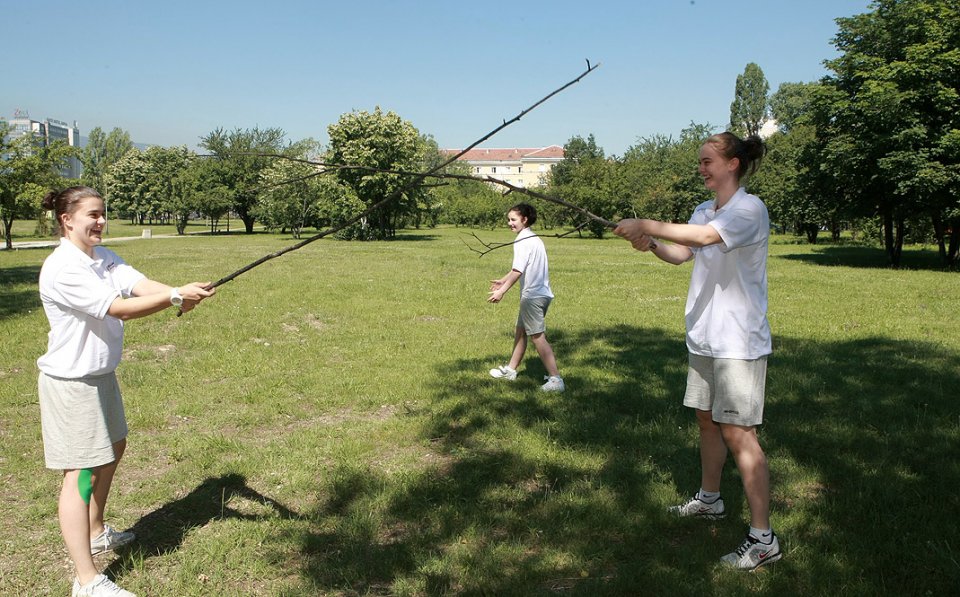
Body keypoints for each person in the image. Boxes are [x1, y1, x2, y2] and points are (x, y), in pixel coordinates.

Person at [613, 132, 781, 570]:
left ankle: (763, 538)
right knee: (707, 420)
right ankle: (710, 499)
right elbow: (683, 254)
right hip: (705, 336)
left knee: (740, 433)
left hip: (738, 342)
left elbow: (706, 238)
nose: (702, 167)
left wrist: (648, 223)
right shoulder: (704, 210)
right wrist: (651, 245)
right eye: (700, 161)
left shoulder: (749, 209)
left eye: (708, 161)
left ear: (733, 165)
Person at [36, 186, 215, 596]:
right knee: (79, 474)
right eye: (92, 215)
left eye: (103, 214)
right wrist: (174, 297)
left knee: (114, 448)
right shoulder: (63, 267)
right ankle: (86, 580)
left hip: (101, 377)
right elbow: (116, 307)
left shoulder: (102, 258)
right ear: (67, 219)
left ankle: (96, 530)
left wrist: (178, 295)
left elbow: (138, 285)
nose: (101, 221)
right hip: (72, 383)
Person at [487, 203, 565, 392]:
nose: (509, 223)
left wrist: (502, 291)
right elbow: (519, 268)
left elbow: (518, 271)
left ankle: (556, 380)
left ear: (525, 219)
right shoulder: (533, 238)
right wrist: (502, 281)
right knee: (520, 332)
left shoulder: (523, 240)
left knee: (538, 337)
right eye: (509, 219)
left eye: (513, 219)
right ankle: (511, 370)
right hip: (540, 294)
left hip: (533, 296)